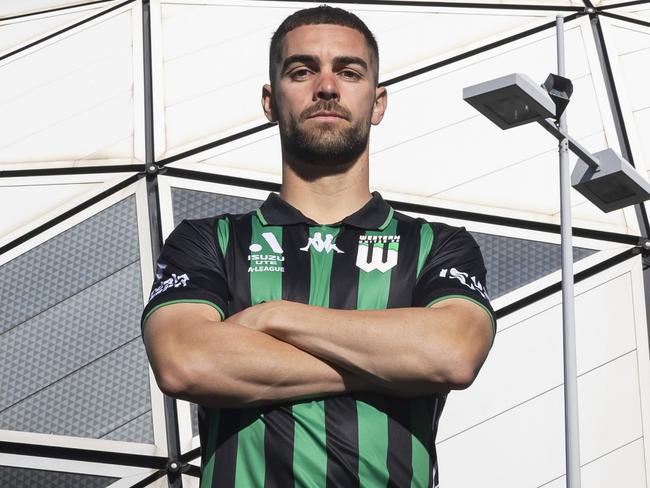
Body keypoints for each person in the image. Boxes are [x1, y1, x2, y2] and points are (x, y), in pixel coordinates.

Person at [142, 6, 495, 487]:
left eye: (349, 72)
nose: (326, 87)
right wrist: (394, 365)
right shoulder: (208, 241)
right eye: (302, 70)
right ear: (270, 100)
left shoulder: (436, 245)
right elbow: (186, 361)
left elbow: (451, 353)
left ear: (378, 102)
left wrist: (273, 317)